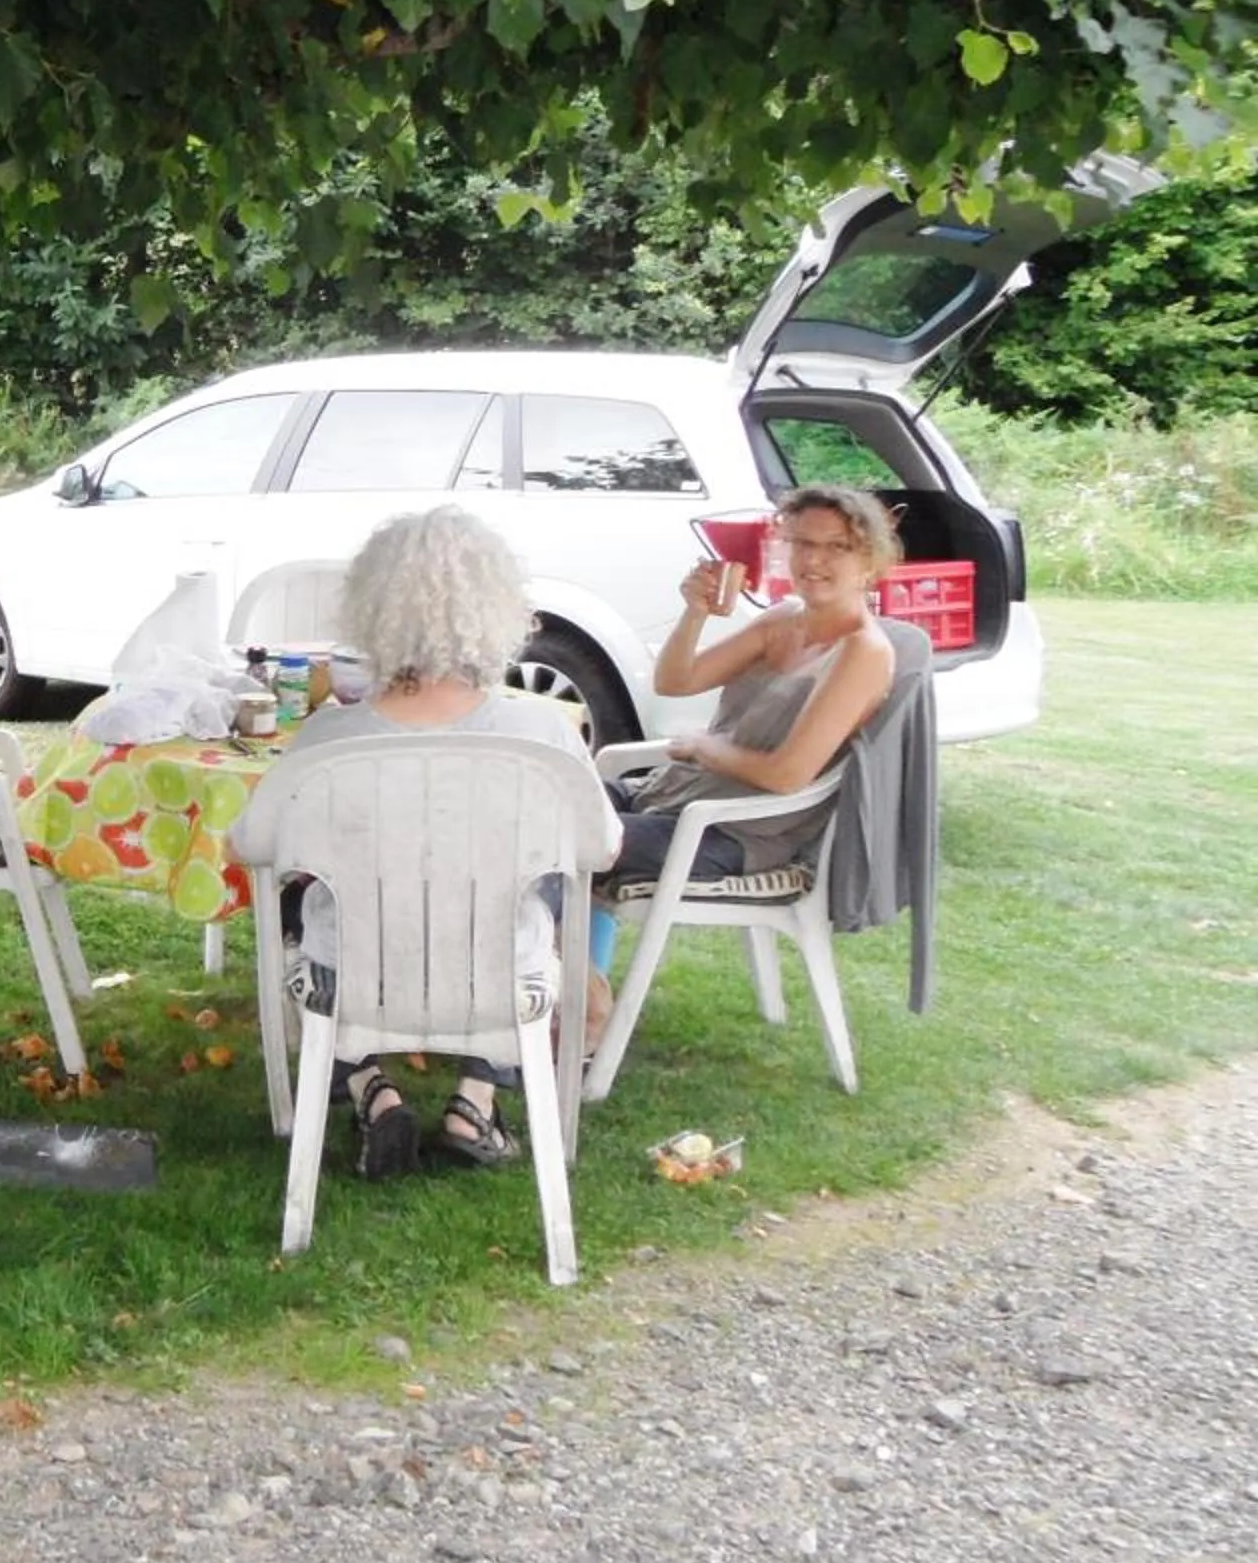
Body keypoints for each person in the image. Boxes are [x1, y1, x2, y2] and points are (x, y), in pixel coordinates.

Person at [230, 506, 621, 1178]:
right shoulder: (544, 735)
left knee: (305, 913)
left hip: (351, 981)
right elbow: (602, 851)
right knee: (534, 912)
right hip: (500, 981)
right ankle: (474, 1102)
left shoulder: (330, 740)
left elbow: (252, 848)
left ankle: (371, 1093)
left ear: (371, 610)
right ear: (499, 608)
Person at [608, 485, 900, 891]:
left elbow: (787, 775)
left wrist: (702, 746)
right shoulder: (784, 619)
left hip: (729, 832)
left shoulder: (863, 651)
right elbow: (675, 681)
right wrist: (695, 614)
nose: (814, 559)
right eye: (802, 543)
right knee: (526, 801)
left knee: (546, 834)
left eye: (838, 547)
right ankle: (558, 946)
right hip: (669, 794)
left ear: (869, 561)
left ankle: (551, 949)